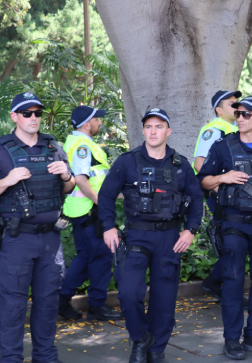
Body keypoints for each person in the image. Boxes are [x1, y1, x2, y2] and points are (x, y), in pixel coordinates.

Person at [0, 92, 75, 363]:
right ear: (14, 116)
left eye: (37, 113)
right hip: (17, 239)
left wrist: (66, 175)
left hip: (50, 239)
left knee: (48, 303)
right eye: (26, 113)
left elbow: (68, 187)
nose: (33, 118)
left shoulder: (53, 146)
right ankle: (11, 359)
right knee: (13, 305)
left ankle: (46, 357)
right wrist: (6, 181)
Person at [99, 108, 203, 363]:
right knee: (128, 291)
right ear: (143, 130)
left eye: (159, 126)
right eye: (149, 127)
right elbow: (106, 195)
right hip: (137, 235)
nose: (153, 131)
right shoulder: (127, 162)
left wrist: (190, 230)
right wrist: (108, 226)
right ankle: (141, 338)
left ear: (168, 131)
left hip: (169, 238)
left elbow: (197, 198)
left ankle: (156, 348)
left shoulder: (180, 164)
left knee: (164, 299)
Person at [197, 96, 252, 360]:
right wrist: (222, 178)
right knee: (233, 282)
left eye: (247, 114)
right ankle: (232, 340)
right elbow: (202, 180)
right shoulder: (223, 146)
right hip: (233, 225)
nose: (240, 118)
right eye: (238, 113)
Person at [57, 106, 122, 321]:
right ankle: (95, 305)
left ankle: (62, 301)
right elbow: (82, 180)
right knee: (101, 257)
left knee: (87, 257)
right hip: (89, 211)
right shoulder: (82, 146)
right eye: (96, 120)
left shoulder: (79, 143)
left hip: (84, 211)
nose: (99, 123)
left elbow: (96, 178)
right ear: (87, 123)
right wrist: (102, 204)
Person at [193, 90, 240, 302]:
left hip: (237, 196)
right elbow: (199, 163)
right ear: (219, 110)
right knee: (234, 240)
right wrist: (217, 189)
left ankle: (215, 283)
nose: (237, 107)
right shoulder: (213, 130)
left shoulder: (236, 129)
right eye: (232, 104)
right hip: (221, 195)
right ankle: (221, 287)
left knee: (239, 241)